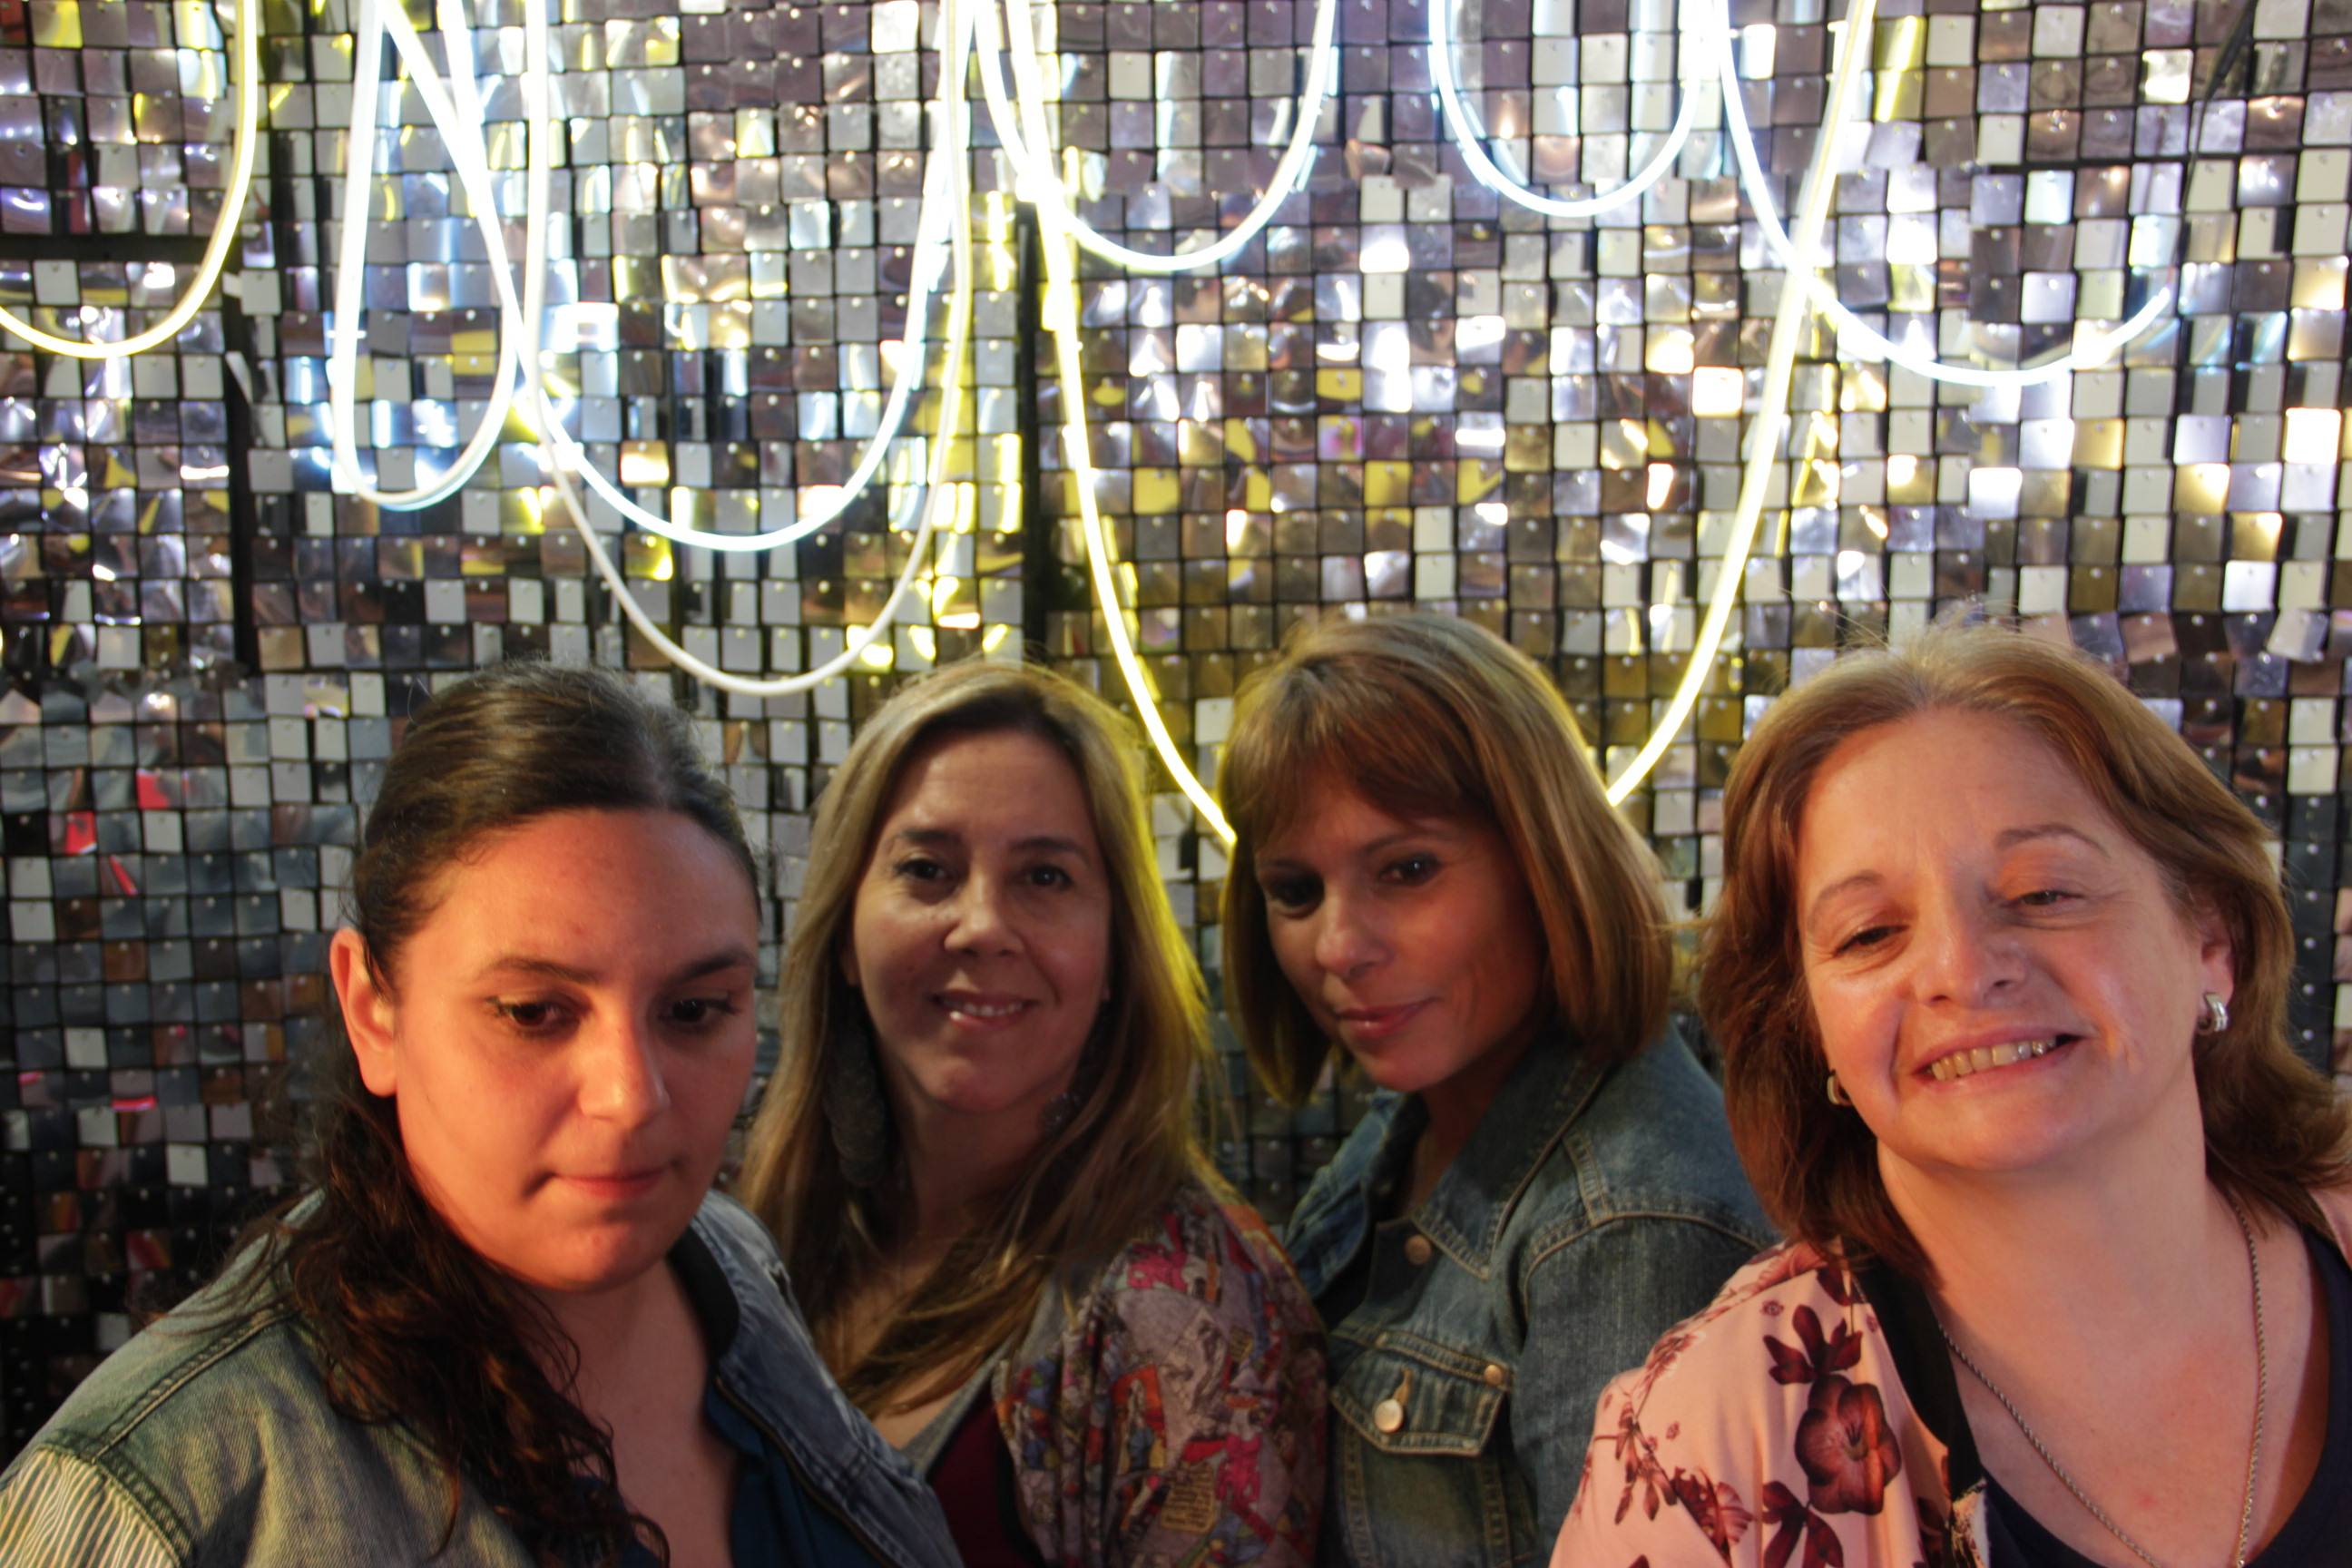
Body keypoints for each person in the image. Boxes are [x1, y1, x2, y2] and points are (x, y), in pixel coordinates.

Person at [0, 662, 960, 1568]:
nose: (631, 1097)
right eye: (533, 1013)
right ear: (373, 1009)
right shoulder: (158, 1495)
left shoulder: (731, 1264)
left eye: (695, 1011)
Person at [1553, 622, 2352, 1566]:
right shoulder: (1698, 1450)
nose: (1963, 972)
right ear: (1812, 1027)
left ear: (2212, 939)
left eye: (2044, 893)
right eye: (1870, 934)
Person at [738, 658, 1325, 1567]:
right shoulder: (758, 1236)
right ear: (845, 932)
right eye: (927, 870)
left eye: (1045, 877)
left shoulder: (1187, 1316)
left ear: (1116, 952)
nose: (981, 925)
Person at [1218, 610, 1774, 1562]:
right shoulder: (1421, 1115)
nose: (1339, 948)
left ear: (1544, 859)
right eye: (1296, 892)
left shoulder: (1626, 1229)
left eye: (1407, 870)